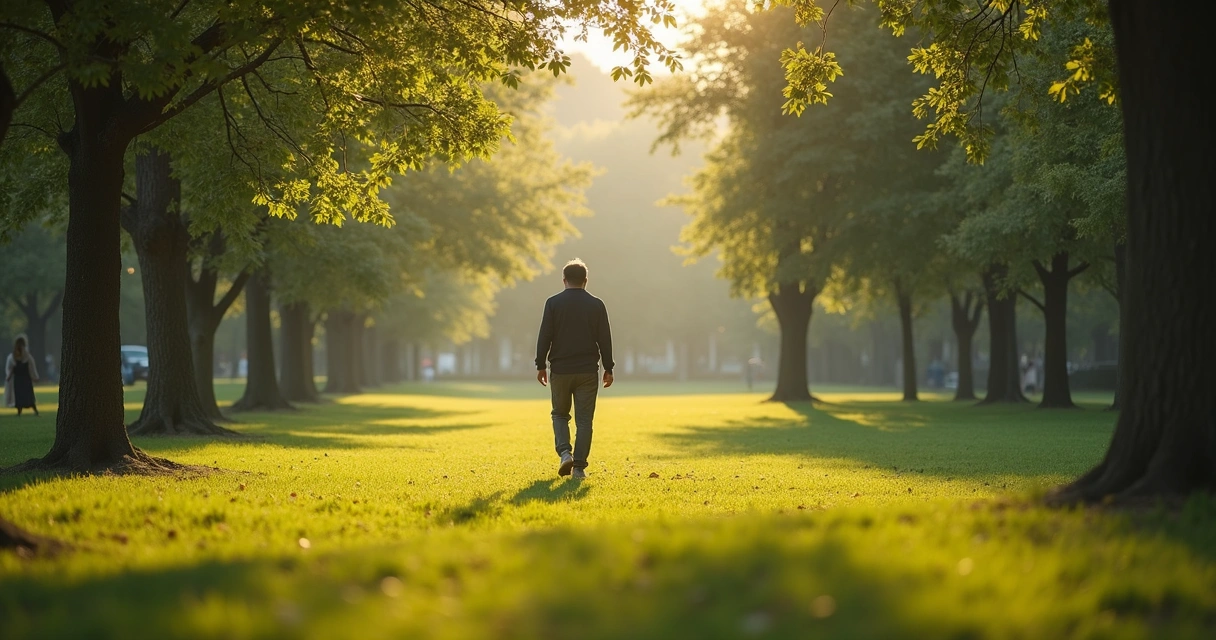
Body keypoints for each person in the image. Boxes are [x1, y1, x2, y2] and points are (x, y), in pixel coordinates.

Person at [535, 258, 614, 479]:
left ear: (564, 280)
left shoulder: (553, 303)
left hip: (560, 370)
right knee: (584, 420)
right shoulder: (597, 305)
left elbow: (545, 336)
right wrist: (609, 367)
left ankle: (564, 453)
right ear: (585, 281)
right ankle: (578, 468)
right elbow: (604, 339)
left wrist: (540, 364)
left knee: (560, 414)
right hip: (588, 371)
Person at [5, 335, 40, 417]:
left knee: (28, 395)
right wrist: (9, 376)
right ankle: (20, 411)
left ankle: (33, 410)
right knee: (19, 396)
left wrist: (34, 376)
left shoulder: (25, 356)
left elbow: (31, 367)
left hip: (25, 379)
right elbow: (11, 368)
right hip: (19, 379)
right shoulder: (14, 356)